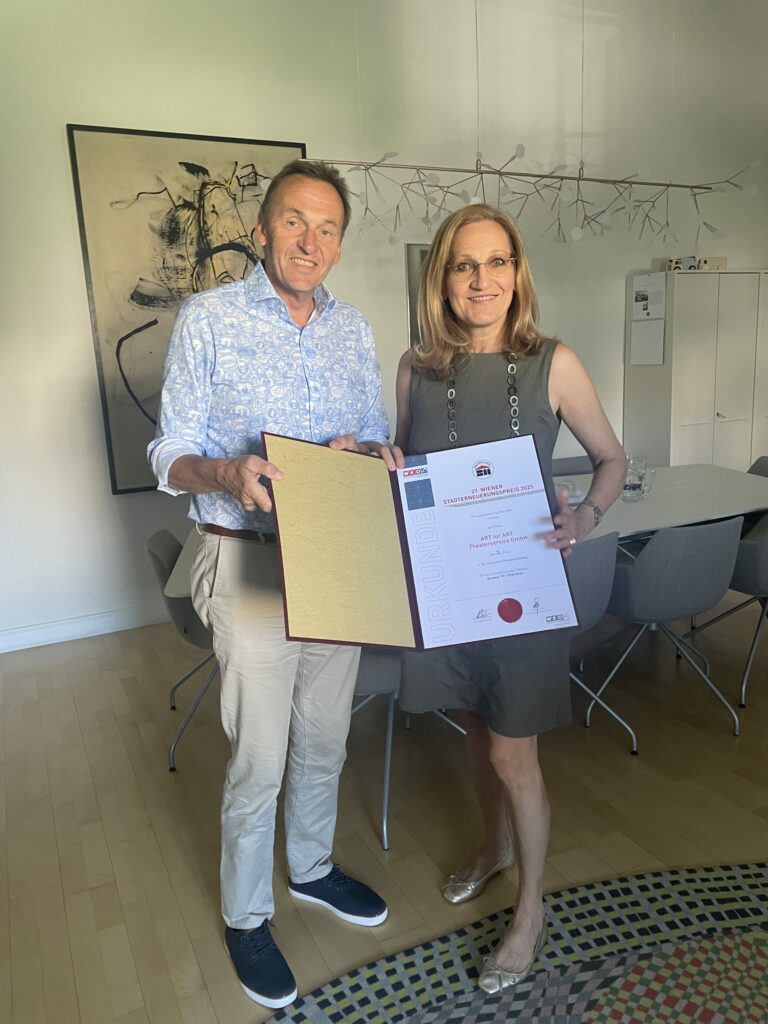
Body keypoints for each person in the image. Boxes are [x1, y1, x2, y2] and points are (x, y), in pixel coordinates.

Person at [148, 159, 399, 1010]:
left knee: (327, 738)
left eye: (328, 227)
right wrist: (227, 470)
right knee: (259, 756)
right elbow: (168, 455)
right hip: (246, 555)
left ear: (338, 244)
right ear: (261, 230)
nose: (311, 240)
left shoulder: (354, 327)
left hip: (336, 556)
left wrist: (376, 454)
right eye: (295, 221)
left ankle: (314, 868)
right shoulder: (209, 317)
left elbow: (366, 435)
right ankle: (248, 917)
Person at [394, 204, 626, 994]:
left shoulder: (555, 363)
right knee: (473, 728)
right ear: (444, 279)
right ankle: (491, 848)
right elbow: (401, 469)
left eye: (497, 263)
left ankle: (530, 909)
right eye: (465, 265)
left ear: (517, 273)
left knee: (510, 750)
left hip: (521, 588)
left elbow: (610, 459)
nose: (482, 279)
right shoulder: (414, 368)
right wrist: (388, 464)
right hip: (447, 589)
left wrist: (586, 513)